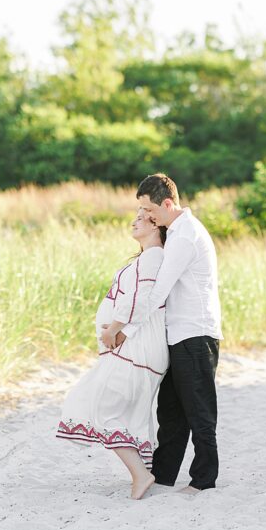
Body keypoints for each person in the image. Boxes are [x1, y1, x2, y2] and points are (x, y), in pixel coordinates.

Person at [101, 173, 223, 495]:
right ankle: (164, 474)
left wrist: (126, 330)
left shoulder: (184, 236)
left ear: (167, 203)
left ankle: (203, 480)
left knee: (199, 410)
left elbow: (157, 293)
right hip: (177, 335)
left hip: (196, 334)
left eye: (150, 209)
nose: (147, 216)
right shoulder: (175, 231)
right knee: (170, 409)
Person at [55, 208, 169, 500]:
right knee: (117, 407)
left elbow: (141, 300)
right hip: (132, 344)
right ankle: (142, 471)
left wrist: (114, 329)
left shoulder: (154, 256)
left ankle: (141, 474)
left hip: (137, 346)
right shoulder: (147, 257)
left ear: (156, 225)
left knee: (102, 405)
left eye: (142, 218)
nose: (134, 221)